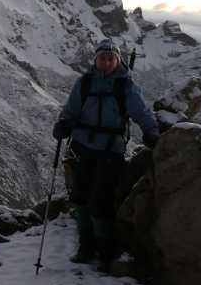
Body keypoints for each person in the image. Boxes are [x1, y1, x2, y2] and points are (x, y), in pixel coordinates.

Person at [52, 38, 159, 272]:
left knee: (100, 201)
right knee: (79, 197)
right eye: (103, 58)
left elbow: (141, 111)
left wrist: (151, 130)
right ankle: (86, 246)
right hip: (82, 147)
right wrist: (64, 124)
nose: (107, 62)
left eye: (111, 58)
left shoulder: (125, 86)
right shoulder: (85, 83)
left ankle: (105, 251)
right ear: (96, 60)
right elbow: (71, 109)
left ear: (118, 60)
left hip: (110, 151)